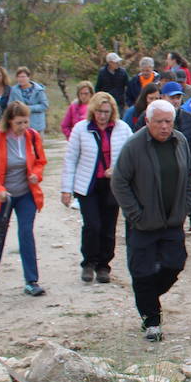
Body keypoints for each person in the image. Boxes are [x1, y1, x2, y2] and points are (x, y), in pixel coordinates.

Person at [111, 99, 191, 341]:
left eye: (169, 121)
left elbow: (189, 175)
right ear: (148, 122)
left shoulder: (180, 141)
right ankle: (151, 321)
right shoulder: (134, 146)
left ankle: (147, 297)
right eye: (159, 122)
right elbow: (119, 182)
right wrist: (135, 213)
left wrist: (186, 206)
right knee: (142, 272)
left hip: (172, 220)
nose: (165, 127)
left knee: (175, 263)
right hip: (144, 223)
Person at [61, 91, 131, 284]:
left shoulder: (122, 129)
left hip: (112, 186)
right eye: (99, 111)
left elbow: (130, 157)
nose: (102, 116)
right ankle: (89, 263)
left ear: (112, 112)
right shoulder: (81, 129)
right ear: (93, 110)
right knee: (92, 225)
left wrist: (117, 170)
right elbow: (70, 159)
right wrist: (66, 189)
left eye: (106, 112)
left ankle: (104, 266)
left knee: (109, 228)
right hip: (88, 185)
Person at [0, 101, 47, 297]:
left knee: (26, 232)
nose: (23, 127)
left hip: (26, 193)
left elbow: (40, 161)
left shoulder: (32, 137)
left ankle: (31, 280)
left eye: (26, 122)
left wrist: (36, 174)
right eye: (19, 123)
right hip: (2, 196)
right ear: (9, 121)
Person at [161, 82, 191, 233]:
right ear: (163, 97)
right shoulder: (151, 119)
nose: (175, 101)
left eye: (178, 97)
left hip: (185, 173)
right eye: (172, 97)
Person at [11, 67, 49, 135]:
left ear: (28, 77)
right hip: (20, 126)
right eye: (19, 77)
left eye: (23, 77)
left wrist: (27, 108)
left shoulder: (39, 90)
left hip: (37, 125)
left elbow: (44, 106)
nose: (21, 79)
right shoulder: (13, 90)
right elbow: (10, 106)